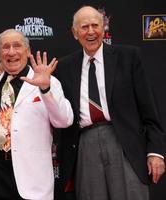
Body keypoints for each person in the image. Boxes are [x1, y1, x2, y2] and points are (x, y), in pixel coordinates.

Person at [55, 5, 166, 200]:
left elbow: (149, 108)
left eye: (95, 25)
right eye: (84, 27)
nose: (90, 31)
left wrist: (156, 151)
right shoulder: (64, 67)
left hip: (125, 143)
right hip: (84, 145)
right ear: (74, 33)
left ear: (104, 28)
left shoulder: (129, 57)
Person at [0, 29, 74, 200]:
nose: (11, 52)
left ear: (28, 51)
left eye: (17, 46)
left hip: (32, 174)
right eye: (5, 47)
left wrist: (45, 89)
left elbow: (64, 121)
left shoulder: (48, 81)